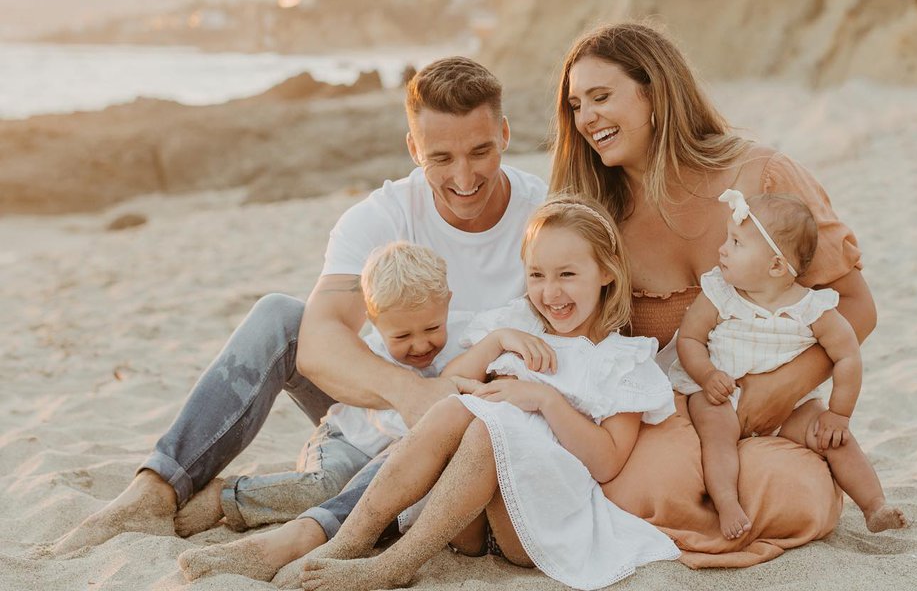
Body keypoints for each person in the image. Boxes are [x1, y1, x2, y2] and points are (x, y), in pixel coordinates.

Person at [51, 57, 547, 560]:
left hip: (470, 430)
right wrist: (413, 395)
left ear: (504, 134)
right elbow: (317, 342)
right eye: (440, 158)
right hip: (377, 407)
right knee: (281, 317)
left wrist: (449, 405)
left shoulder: (544, 218)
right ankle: (157, 489)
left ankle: (281, 513)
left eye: (480, 151)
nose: (464, 176)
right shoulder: (383, 215)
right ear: (413, 148)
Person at [184, 196, 682, 591]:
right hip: (462, 518)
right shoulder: (516, 324)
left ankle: (397, 563)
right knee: (451, 409)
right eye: (537, 275)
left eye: (568, 275)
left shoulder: (624, 360)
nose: (551, 292)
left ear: (607, 273)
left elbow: (607, 463)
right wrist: (494, 343)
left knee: (491, 428)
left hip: (541, 520)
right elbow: (447, 387)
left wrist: (543, 399)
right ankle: (348, 541)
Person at [552, 22, 882, 567]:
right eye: (575, 105)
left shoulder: (762, 178)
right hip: (672, 417)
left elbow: (856, 305)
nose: (586, 118)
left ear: (655, 93)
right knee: (643, 491)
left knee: (798, 496)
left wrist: (778, 390)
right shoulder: (593, 213)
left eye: (602, 97)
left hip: (775, 415)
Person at [175, 241, 474, 537]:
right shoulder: (371, 355)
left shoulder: (465, 338)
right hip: (345, 440)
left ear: (447, 302)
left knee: (379, 495)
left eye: (433, 329)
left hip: (390, 458)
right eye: (403, 335)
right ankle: (228, 498)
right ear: (373, 320)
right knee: (327, 487)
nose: (421, 344)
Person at [673, 189, 907, 540]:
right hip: (723, 393)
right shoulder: (720, 293)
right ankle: (727, 504)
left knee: (834, 439)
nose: (722, 249)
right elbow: (689, 339)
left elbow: (847, 355)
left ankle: (874, 505)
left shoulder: (812, 309)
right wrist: (707, 375)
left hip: (792, 410)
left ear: (776, 266)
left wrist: (838, 413)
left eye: (736, 243)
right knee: (716, 433)